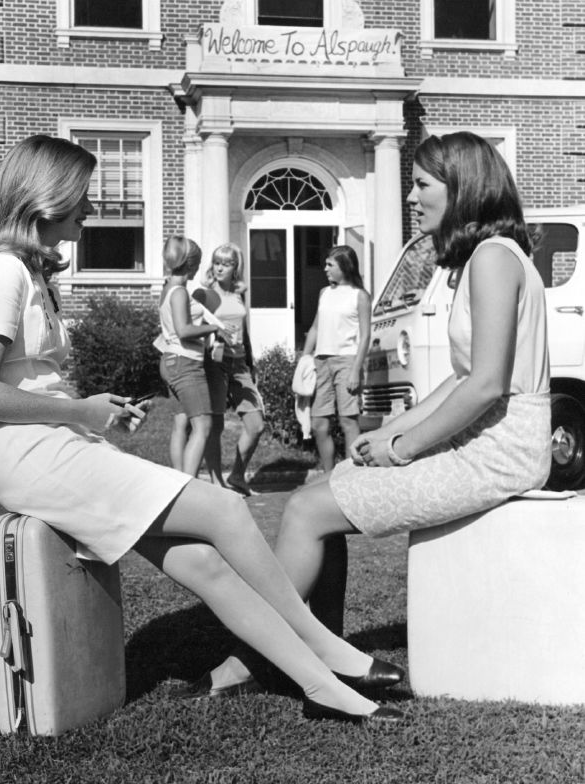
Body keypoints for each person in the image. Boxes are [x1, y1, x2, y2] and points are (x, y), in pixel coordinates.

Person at [0, 134, 403, 724]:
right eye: (84, 197)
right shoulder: (0, 272)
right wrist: (82, 411)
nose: (93, 208)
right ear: (46, 197)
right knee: (227, 510)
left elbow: (28, 383)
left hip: (57, 444)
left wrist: (89, 411)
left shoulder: (28, 273)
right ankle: (324, 647)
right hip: (37, 455)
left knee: (206, 565)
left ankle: (326, 691)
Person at [205, 130, 551, 690]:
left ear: (461, 188)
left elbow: (486, 385)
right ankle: (324, 653)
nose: (411, 198)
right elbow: (462, 380)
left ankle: (253, 661)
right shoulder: (490, 257)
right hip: (493, 440)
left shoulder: (491, 259)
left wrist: (403, 448)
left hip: (501, 452)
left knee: (304, 510)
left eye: (421, 185)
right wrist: (390, 430)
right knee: (332, 483)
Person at [157, 235, 233, 477]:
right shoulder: (179, 292)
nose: (200, 267)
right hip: (185, 363)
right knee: (203, 425)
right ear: (190, 264)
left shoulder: (167, 288)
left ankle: (177, 482)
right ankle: (188, 486)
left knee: (181, 422)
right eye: (198, 262)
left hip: (170, 360)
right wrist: (215, 328)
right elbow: (184, 330)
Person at [194, 243, 265, 496]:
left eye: (227, 263)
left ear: (236, 267)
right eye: (217, 262)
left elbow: (244, 328)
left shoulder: (239, 292)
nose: (220, 267)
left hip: (240, 362)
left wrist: (251, 360)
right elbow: (194, 328)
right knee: (216, 424)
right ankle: (216, 482)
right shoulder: (205, 294)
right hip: (214, 361)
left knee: (255, 423)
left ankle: (237, 474)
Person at [299, 246, 372, 473]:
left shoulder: (359, 296)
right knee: (319, 424)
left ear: (344, 266)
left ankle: (353, 474)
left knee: (348, 421)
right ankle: (329, 475)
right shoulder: (324, 293)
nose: (325, 269)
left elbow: (365, 335)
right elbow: (315, 327)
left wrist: (355, 370)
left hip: (346, 361)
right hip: (321, 362)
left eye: (330, 265)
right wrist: (304, 358)